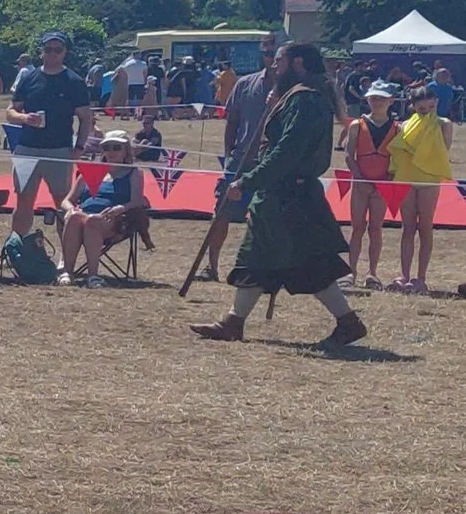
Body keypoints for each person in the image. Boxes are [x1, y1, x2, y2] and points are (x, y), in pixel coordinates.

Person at [189, 42, 365, 347]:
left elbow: (286, 151)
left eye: (279, 61)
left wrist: (247, 181)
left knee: (312, 263)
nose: (273, 66)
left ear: (297, 63)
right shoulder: (297, 97)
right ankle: (233, 322)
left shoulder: (305, 99)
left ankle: (348, 322)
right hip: (276, 196)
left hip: (290, 196)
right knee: (256, 259)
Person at [201, 34, 282, 280]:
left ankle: (266, 269)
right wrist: (229, 156)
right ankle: (212, 267)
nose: (271, 59)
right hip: (241, 160)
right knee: (221, 212)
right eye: (267, 54)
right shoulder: (245, 84)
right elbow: (232, 122)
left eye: (275, 55)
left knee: (269, 219)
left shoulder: (295, 90)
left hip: (274, 162)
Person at [3, 31, 96, 242]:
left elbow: (85, 117)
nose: (52, 53)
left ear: (64, 52)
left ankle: (66, 256)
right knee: (23, 200)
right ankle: (16, 248)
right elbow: (10, 111)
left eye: (58, 50)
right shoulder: (29, 78)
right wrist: (24, 118)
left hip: (59, 150)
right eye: (48, 49)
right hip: (27, 148)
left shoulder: (74, 81)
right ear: (41, 51)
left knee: (62, 203)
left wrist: (79, 147)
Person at [56, 131, 147, 288]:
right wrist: (71, 210)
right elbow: (66, 201)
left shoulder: (134, 173)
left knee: (93, 221)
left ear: (126, 151)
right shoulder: (89, 171)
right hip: (82, 217)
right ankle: (67, 272)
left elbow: (138, 200)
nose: (111, 152)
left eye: (117, 147)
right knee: (74, 218)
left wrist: (121, 208)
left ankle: (93, 275)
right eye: (107, 147)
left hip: (114, 220)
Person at [388, 84, 453, 294]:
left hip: (428, 180)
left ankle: (421, 278)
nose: (427, 111)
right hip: (405, 179)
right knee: (407, 227)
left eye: (431, 107)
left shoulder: (444, 124)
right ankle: (404, 275)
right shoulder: (403, 125)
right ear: (413, 106)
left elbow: (443, 150)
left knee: (425, 226)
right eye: (422, 108)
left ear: (437, 103)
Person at [342, 81, 401, 290]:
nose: (377, 102)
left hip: (382, 186)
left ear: (391, 101)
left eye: (382, 98)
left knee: (376, 228)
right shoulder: (357, 125)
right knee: (357, 228)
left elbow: (398, 158)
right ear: (367, 100)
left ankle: (372, 273)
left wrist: (387, 181)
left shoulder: (397, 128)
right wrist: (360, 179)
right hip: (360, 184)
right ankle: (351, 272)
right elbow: (349, 156)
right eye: (374, 98)